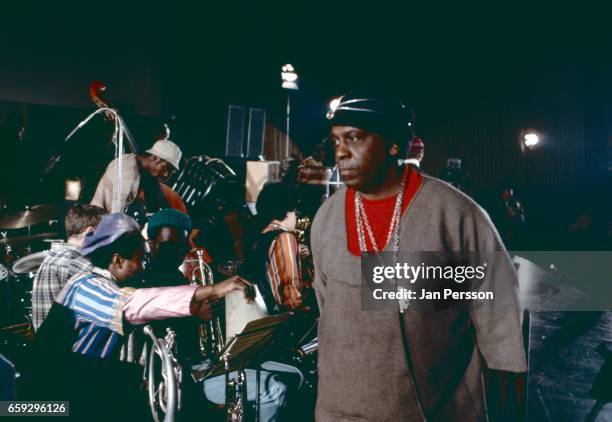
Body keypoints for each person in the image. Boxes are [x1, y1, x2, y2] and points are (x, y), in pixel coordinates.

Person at [311, 92, 527, 421]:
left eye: (354, 138)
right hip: (339, 407)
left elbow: (498, 308)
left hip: (434, 408)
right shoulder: (327, 217)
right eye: (336, 140)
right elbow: (327, 306)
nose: (340, 152)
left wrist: (507, 400)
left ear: (393, 145)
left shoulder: (452, 213)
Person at [31, 204, 106, 330]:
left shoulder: (53, 257)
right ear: (90, 232)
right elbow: (111, 289)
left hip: (45, 344)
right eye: (106, 233)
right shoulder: (74, 262)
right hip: (66, 347)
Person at [91, 139, 187, 214]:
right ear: (155, 158)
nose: (166, 174)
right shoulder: (127, 171)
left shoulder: (134, 161)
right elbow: (116, 215)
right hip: (100, 224)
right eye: (166, 168)